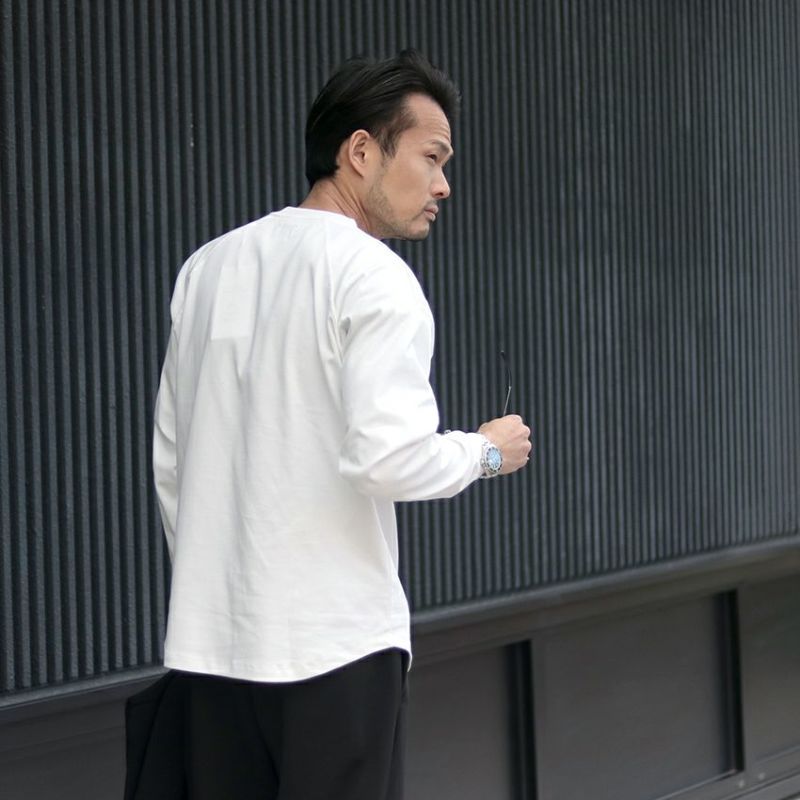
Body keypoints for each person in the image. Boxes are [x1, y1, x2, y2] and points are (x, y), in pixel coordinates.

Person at [151, 48, 531, 800]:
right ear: (361, 151)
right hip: (336, 653)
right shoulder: (373, 274)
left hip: (210, 649)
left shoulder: (208, 267)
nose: (443, 184)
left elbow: (173, 459)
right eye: (431, 156)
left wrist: (213, 584)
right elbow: (388, 459)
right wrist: (485, 452)